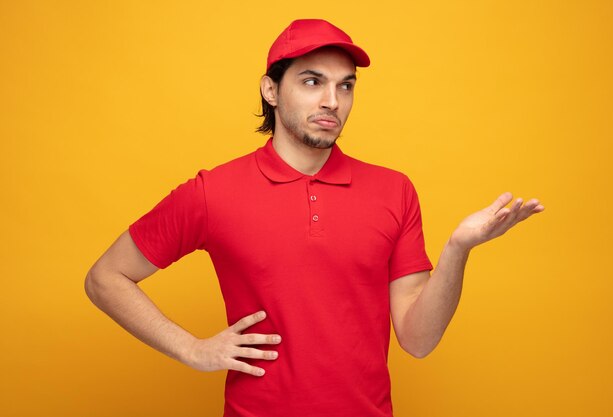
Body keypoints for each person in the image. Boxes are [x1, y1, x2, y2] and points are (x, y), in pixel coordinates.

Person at [85, 19, 544, 417]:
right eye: (312, 81)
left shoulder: (394, 190)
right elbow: (106, 277)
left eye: (345, 85)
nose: (332, 100)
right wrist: (192, 349)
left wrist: (457, 250)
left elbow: (418, 340)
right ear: (271, 89)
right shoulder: (213, 192)